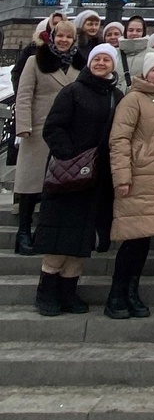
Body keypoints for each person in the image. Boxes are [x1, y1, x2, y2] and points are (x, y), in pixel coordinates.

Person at [33, 44, 123, 316]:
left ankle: (69, 291)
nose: (101, 63)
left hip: (97, 180)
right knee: (59, 239)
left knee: (82, 241)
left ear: (113, 65)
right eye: (97, 59)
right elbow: (53, 127)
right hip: (68, 178)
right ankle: (46, 292)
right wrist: (70, 157)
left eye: (107, 59)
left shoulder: (117, 96)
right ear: (89, 63)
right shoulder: (72, 91)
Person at [105, 51, 154, 319]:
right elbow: (119, 141)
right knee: (132, 239)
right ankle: (116, 293)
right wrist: (122, 177)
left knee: (143, 240)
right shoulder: (133, 100)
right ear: (146, 73)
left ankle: (131, 291)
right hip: (138, 179)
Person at [14, 20, 81, 255]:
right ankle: (23, 232)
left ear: (74, 40)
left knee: (54, 186)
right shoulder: (35, 61)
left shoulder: (79, 65)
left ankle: (44, 232)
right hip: (37, 131)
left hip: (65, 134)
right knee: (30, 185)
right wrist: (23, 126)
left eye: (68, 37)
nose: (64, 41)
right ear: (52, 37)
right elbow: (23, 95)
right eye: (59, 36)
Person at [117, 16, 150, 91]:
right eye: (131, 30)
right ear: (125, 32)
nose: (134, 33)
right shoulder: (114, 53)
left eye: (138, 31)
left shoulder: (153, 55)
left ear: (143, 32)